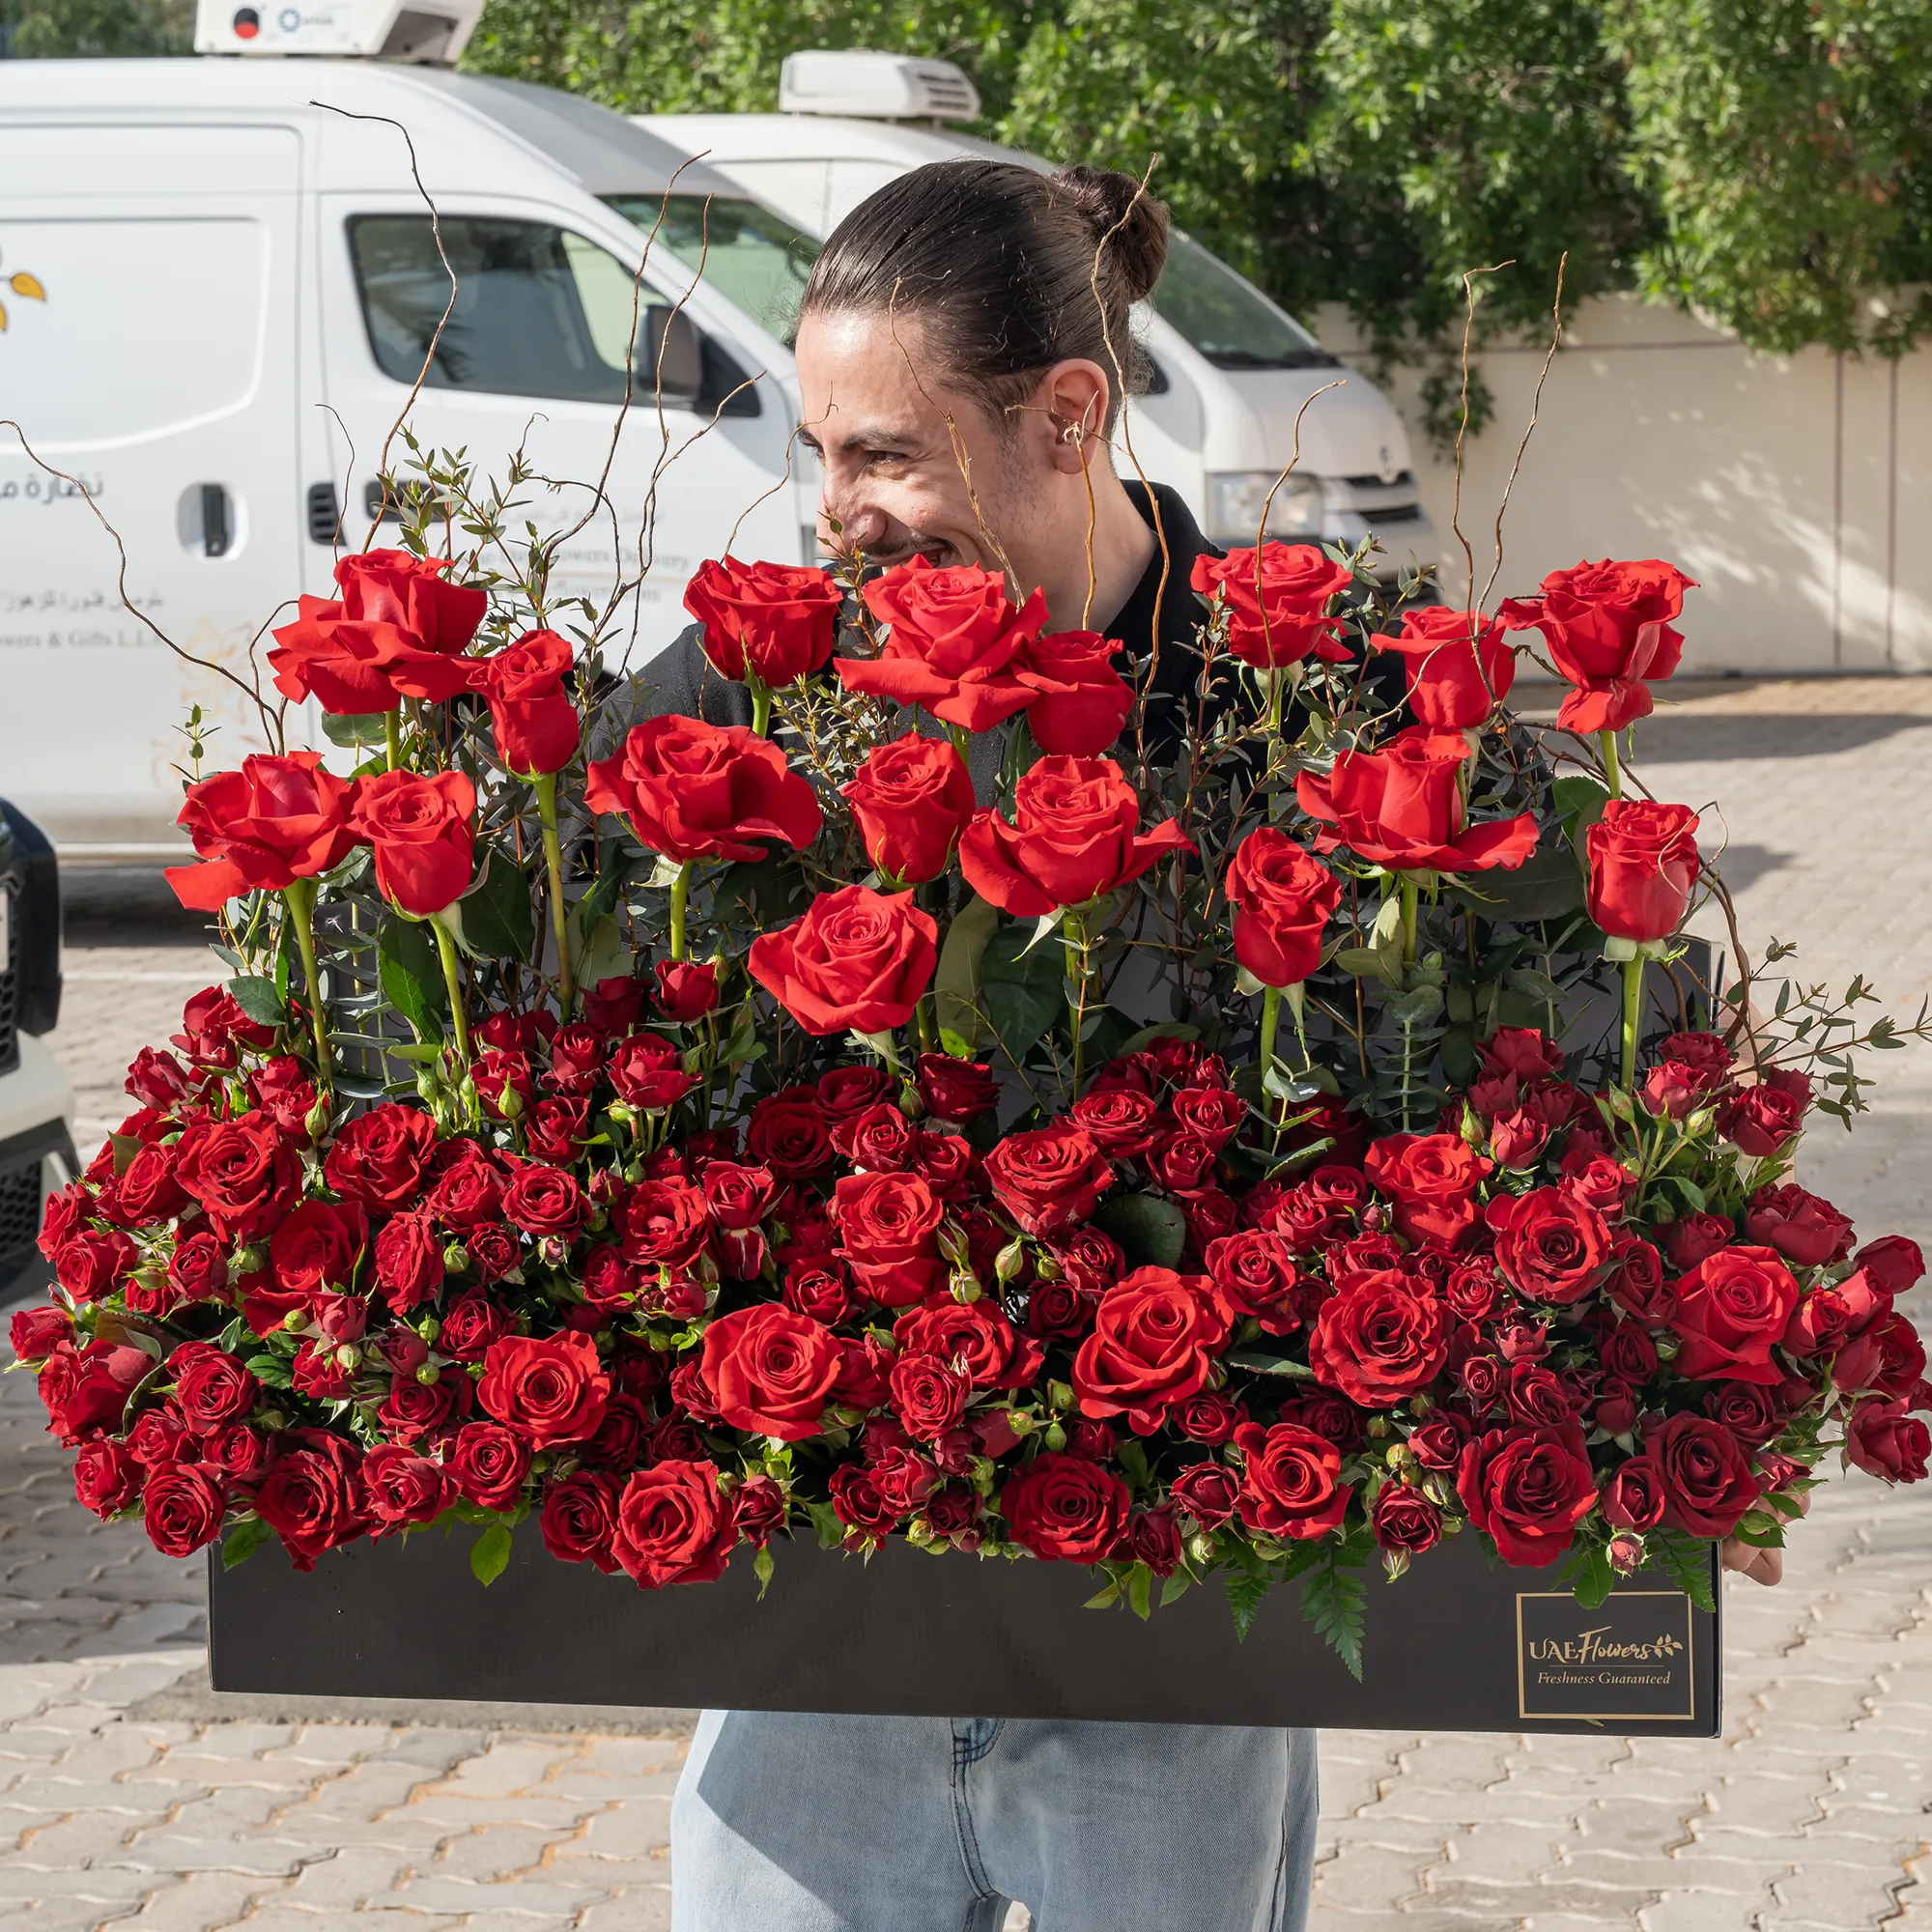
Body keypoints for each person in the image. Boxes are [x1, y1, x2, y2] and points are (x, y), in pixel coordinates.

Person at [649, 157, 1783, 1932]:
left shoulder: (1309, 681)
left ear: (1071, 413)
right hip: (819, 1643)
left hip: (1168, 1644)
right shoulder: (758, 681)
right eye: (819, 454)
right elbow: (562, 944)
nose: (838, 513)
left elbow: (1583, 997)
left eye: (884, 453)